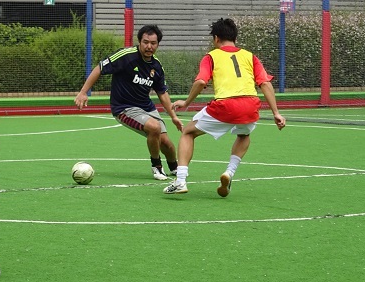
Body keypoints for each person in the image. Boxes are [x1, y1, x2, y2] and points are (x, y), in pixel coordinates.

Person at [163, 17, 286, 196]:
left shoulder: (211, 56)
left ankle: (180, 180)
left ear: (216, 38)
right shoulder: (250, 56)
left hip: (225, 105)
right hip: (251, 105)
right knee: (244, 134)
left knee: (188, 132)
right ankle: (229, 172)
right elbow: (265, 83)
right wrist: (276, 113)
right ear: (235, 38)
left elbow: (201, 81)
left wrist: (186, 102)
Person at [75, 25, 183, 180]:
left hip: (146, 107)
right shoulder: (126, 56)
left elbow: (162, 93)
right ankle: (157, 167)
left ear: (158, 44)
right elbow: (100, 68)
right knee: (154, 127)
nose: (149, 46)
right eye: (145, 42)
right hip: (124, 109)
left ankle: (175, 168)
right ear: (139, 42)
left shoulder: (157, 66)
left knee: (166, 143)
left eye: (153, 43)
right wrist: (83, 92)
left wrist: (173, 116)